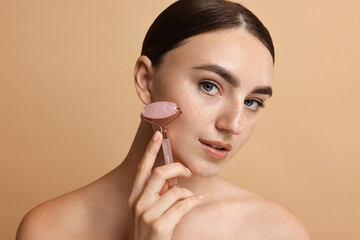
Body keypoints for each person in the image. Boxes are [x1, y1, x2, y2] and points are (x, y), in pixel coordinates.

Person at [16, 0, 310, 239]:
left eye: (252, 102)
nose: (234, 125)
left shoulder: (275, 231)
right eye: (209, 86)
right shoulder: (49, 229)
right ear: (145, 80)